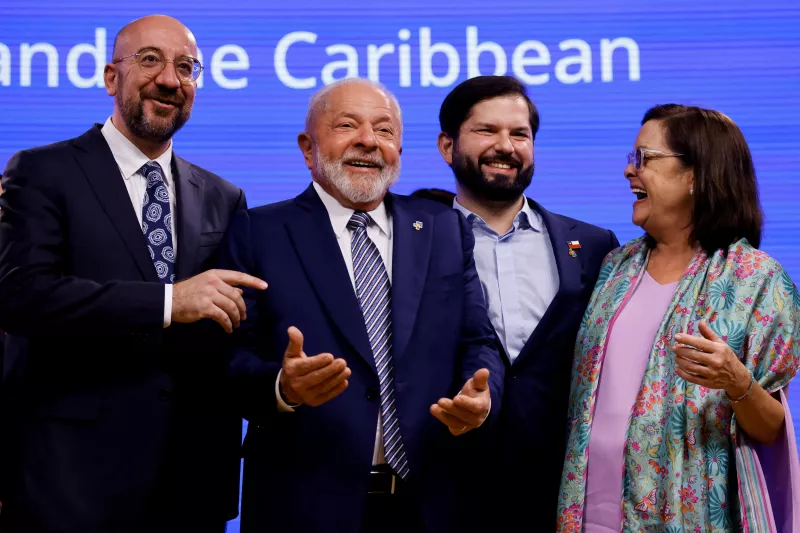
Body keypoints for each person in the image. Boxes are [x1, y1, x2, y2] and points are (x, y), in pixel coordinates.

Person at [0, 15, 266, 533]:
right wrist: (168, 302)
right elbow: (19, 294)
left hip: (191, 483)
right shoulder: (41, 171)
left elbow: (233, 325)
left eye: (187, 68)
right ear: (110, 77)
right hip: (70, 480)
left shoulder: (224, 196)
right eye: (150, 60)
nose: (170, 79)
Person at [218, 78, 504, 533]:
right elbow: (225, 362)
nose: (369, 141)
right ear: (308, 148)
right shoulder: (258, 232)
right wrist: (282, 388)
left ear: (400, 152)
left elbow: (478, 338)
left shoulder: (444, 228)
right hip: (304, 506)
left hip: (430, 506)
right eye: (347, 125)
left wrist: (482, 397)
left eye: (385, 131)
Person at [558, 104, 800, 532]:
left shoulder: (756, 279)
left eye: (644, 159)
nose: (629, 172)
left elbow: (771, 430)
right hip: (590, 514)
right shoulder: (616, 266)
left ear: (696, 176)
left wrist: (736, 382)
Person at [435, 75, 619, 530]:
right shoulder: (413, 240)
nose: (506, 146)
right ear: (447, 146)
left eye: (520, 134)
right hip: (442, 482)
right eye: (486, 131)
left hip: (561, 490)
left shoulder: (595, 245)